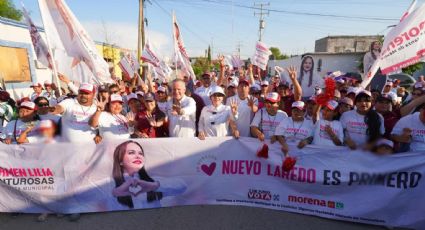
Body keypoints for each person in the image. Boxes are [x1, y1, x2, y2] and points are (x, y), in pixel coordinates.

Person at [111, 140, 186, 209]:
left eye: (140, 153)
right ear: (120, 160)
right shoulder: (108, 185)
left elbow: (182, 186)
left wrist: (154, 186)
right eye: (131, 152)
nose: (138, 156)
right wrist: (114, 193)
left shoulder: (151, 181)